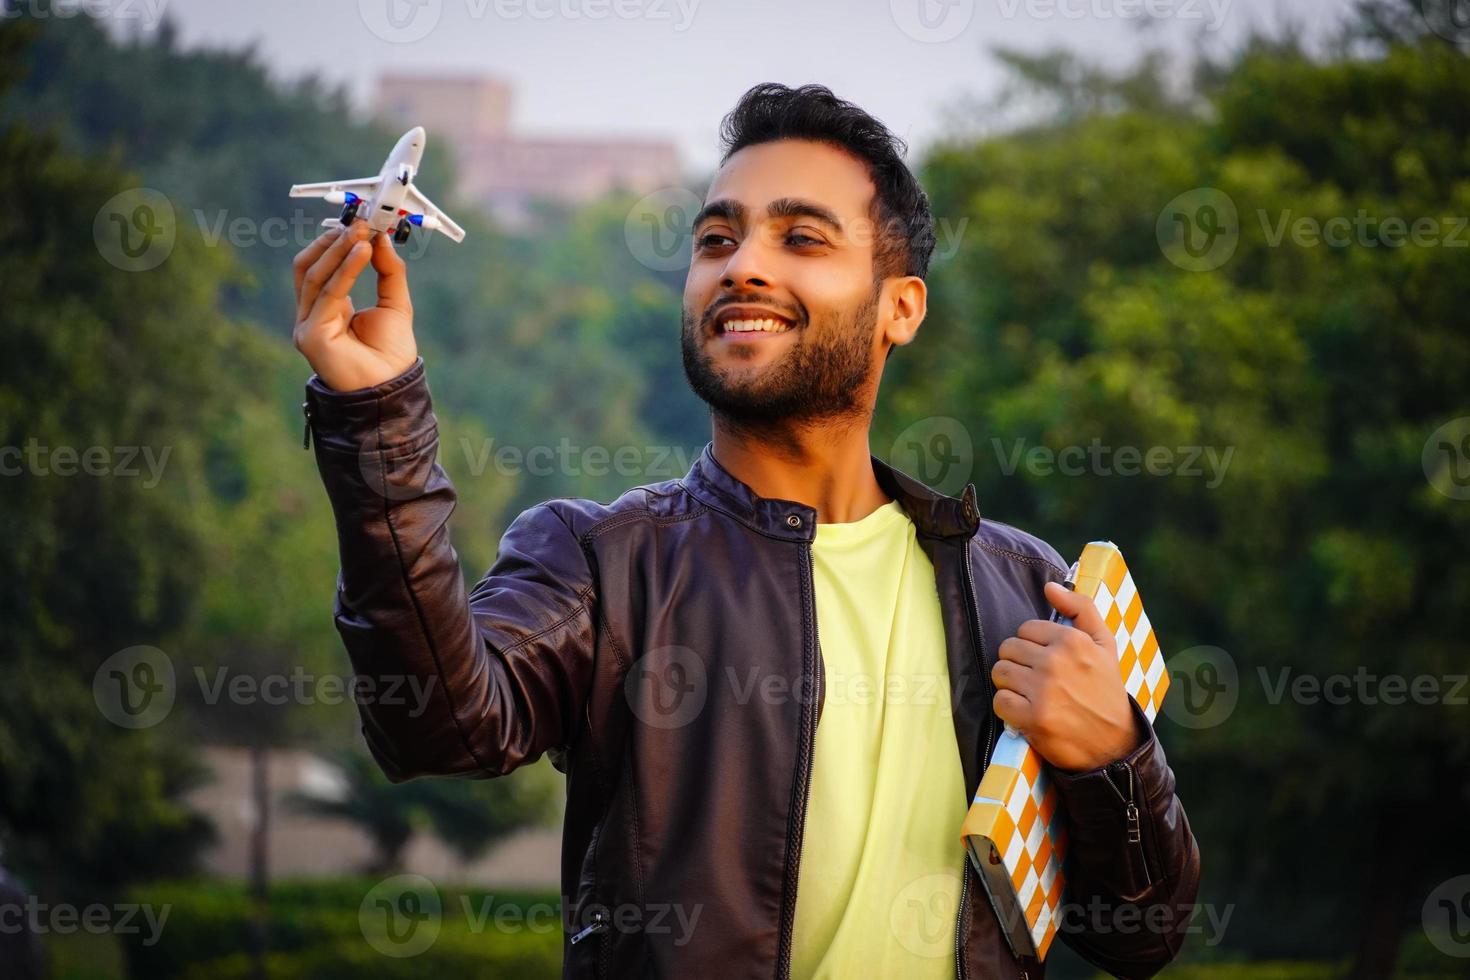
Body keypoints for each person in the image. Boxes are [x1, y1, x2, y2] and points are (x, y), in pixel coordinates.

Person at [293, 82, 1199, 979]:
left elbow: (1141, 937)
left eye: (801, 237)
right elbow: (437, 729)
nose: (741, 266)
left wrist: (1116, 756)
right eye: (716, 239)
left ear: (902, 308)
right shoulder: (605, 564)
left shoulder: (1024, 590)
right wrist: (376, 418)